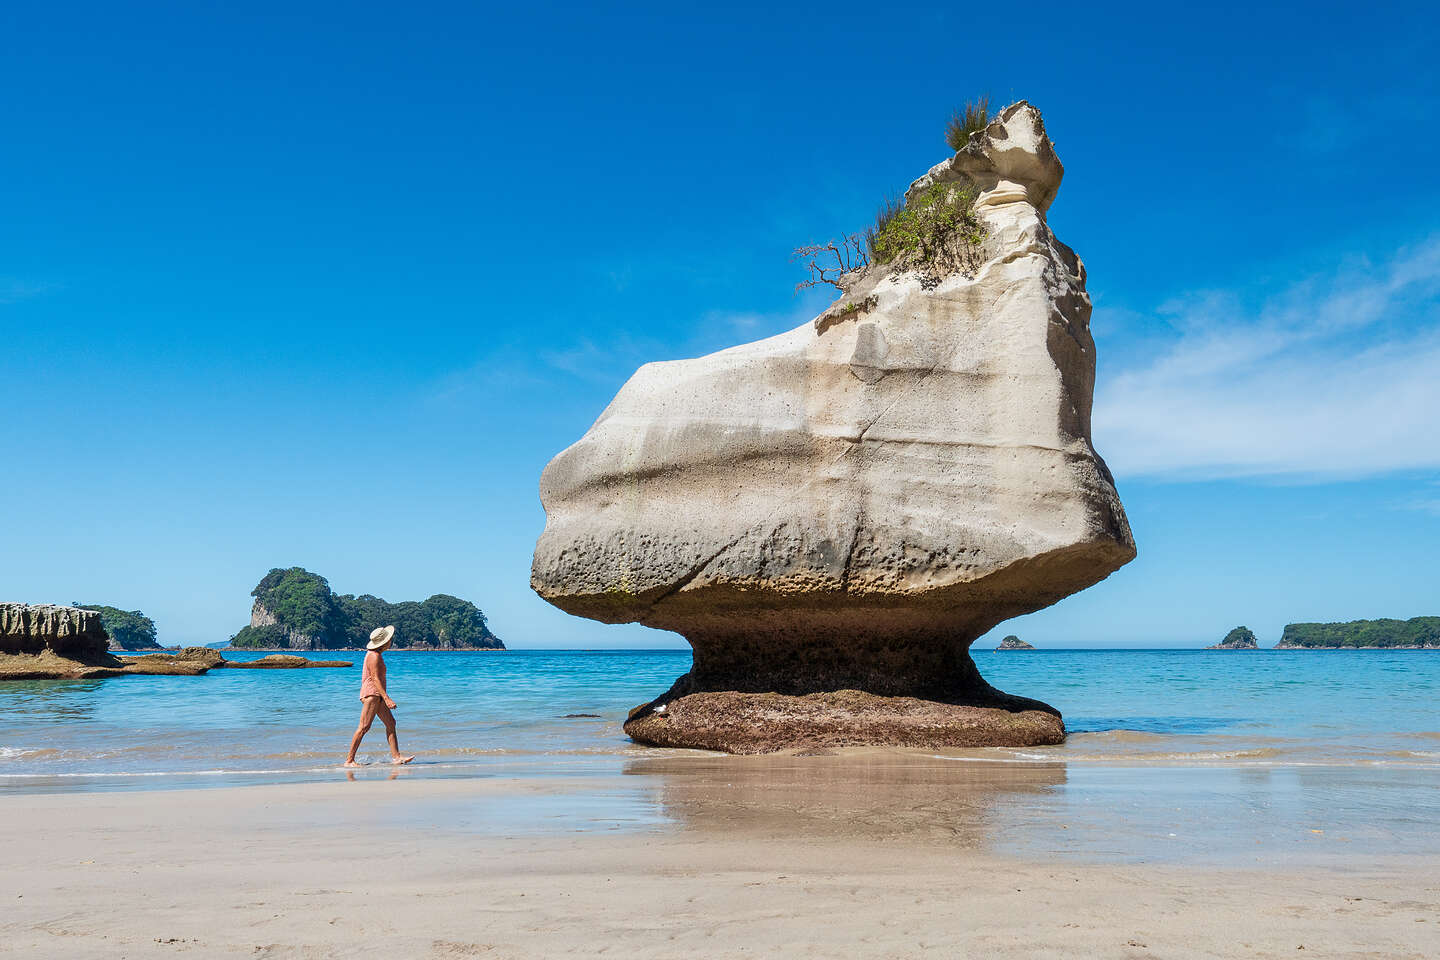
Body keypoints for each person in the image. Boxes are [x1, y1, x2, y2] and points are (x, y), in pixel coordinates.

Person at [344, 625, 415, 766]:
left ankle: (396, 757)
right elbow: (375, 679)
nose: (391, 642)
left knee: (391, 723)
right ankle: (349, 760)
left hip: (376, 694)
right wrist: (387, 698)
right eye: (389, 640)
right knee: (364, 727)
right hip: (372, 694)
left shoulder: (376, 655)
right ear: (384, 642)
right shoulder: (374, 656)